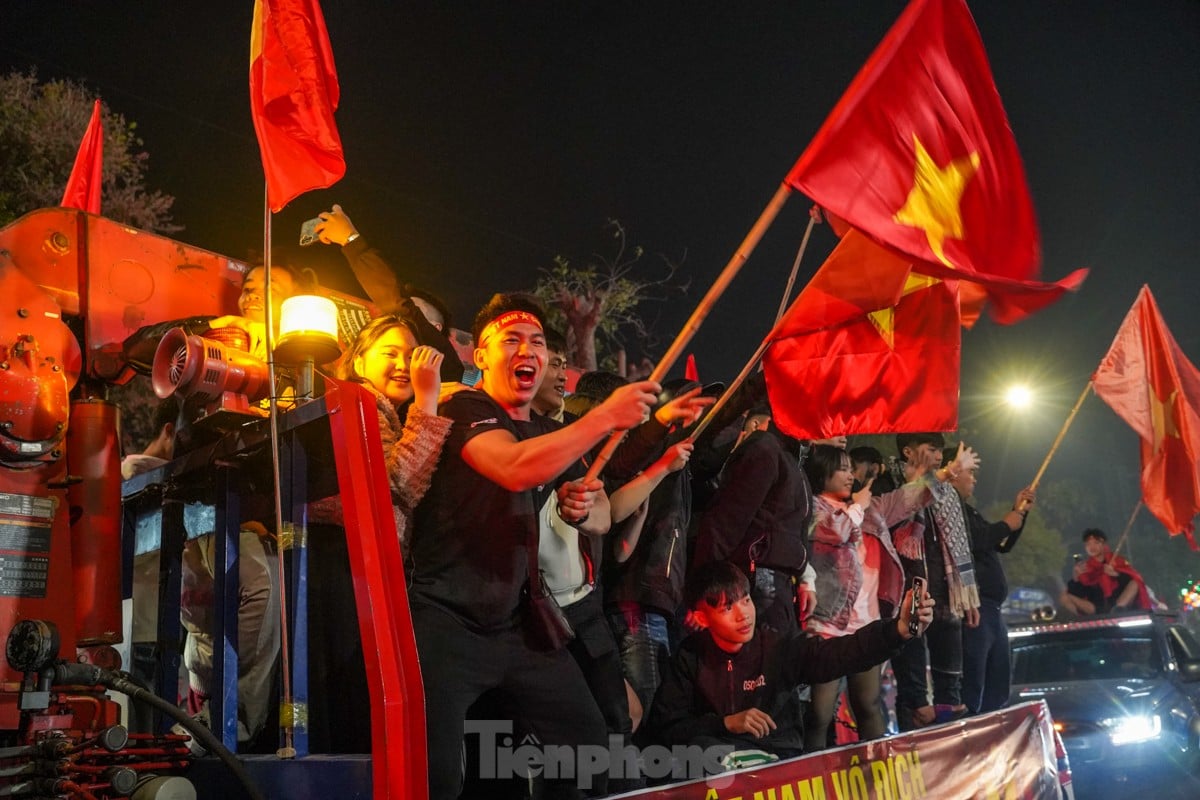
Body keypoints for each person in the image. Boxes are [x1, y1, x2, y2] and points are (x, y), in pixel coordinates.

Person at [407, 292, 660, 798]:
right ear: (480, 356)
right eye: (512, 340)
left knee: (589, 755)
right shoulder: (465, 406)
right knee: (438, 778)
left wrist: (585, 510)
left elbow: (604, 513)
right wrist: (604, 417)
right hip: (445, 620)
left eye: (538, 342)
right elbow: (515, 467)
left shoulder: (548, 428)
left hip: (521, 625)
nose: (528, 350)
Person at [647, 561, 933, 768]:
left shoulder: (778, 647)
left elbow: (842, 653)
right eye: (726, 608)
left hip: (781, 766)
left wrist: (897, 631)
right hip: (721, 766)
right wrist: (725, 724)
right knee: (700, 755)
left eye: (746, 600)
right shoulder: (689, 657)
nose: (743, 615)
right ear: (701, 616)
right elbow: (667, 729)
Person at [801, 444, 937, 750]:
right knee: (819, 713)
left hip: (867, 623)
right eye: (843, 469)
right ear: (823, 471)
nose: (850, 475)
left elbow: (908, 499)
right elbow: (833, 530)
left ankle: (878, 780)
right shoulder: (811, 507)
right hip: (827, 625)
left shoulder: (871, 507)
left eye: (851, 469)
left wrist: (938, 474)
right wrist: (857, 507)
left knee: (870, 705)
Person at [333, 313, 453, 557]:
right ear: (359, 363)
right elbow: (402, 483)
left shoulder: (388, 415)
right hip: (347, 557)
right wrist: (427, 400)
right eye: (390, 353)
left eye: (412, 357)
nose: (403, 365)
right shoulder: (357, 404)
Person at [887, 433, 982, 730]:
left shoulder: (948, 493)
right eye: (931, 449)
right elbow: (903, 506)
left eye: (941, 450)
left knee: (950, 688)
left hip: (948, 592)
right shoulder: (892, 484)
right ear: (908, 451)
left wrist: (969, 594)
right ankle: (914, 741)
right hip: (912, 589)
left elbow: (961, 543)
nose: (939, 455)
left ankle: (949, 745)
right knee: (914, 685)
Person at [693, 405, 815, 635]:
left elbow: (794, 534)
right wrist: (704, 592)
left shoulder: (791, 459)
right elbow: (726, 521)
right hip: (757, 581)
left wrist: (805, 579)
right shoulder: (765, 449)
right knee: (761, 664)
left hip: (779, 584)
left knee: (777, 663)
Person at [313, 203, 463, 382]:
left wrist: (350, 239)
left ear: (436, 329)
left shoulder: (448, 371)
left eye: (413, 309)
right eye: (390, 354)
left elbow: (397, 303)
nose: (398, 318)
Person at [945, 446, 1036, 714]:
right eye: (970, 472)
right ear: (952, 472)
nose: (974, 479)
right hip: (974, 606)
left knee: (997, 685)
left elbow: (1000, 543)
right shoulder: (948, 509)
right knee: (974, 683)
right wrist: (1008, 522)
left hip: (992, 610)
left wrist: (1019, 512)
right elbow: (979, 540)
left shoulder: (969, 511)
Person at [1060, 528, 1152, 616]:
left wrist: (1115, 574)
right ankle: (1079, 622)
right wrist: (1076, 578)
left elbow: (1133, 578)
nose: (1092, 547)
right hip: (1096, 608)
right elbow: (1081, 594)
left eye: (1096, 543)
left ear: (1103, 544)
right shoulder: (1085, 567)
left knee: (1135, 583)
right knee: (1064, 596)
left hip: (1118, 604)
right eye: (1088, 544)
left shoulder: (1117, 560)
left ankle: (1117, 611)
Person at [532, 328, 570, 421]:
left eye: (564, 367)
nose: (563, 377)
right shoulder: (501, 422)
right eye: (555, 365)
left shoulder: (574, 426)